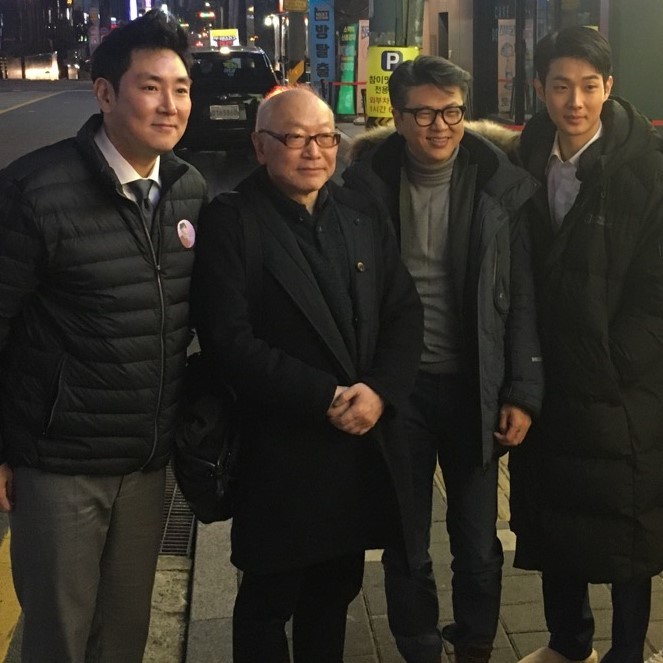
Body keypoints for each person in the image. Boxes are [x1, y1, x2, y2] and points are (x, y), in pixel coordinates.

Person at [0, 10, 206, 662]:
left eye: (180, 88)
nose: (170, 105)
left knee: (122, 635)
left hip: (146, 462)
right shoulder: (34, 190)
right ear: (106, 93)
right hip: (58, 464)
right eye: (150, 87)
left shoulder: (187, 189)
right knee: (58, 637)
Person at [190, 86, 424, 662]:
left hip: (356, 446)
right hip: (278, 448)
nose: (313, 151)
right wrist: (326, 396)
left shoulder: (360, 211)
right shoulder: (232, 220)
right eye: (294, 138)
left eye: (325, 137)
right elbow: (228, 341)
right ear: (260, 146)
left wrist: (380, 392)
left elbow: (403, 310)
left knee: (335, 593)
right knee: (268, 601)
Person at [342, 55, 544, 663]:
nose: (440, 126)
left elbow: (522, 296)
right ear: (399, 117)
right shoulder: (366, 185)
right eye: (425, 114)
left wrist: (521, 391)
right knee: (406, 538)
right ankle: (419, 644)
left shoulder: (497, 184)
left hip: (474, 386)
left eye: (452, 112)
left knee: (478, 539)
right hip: (398, 388)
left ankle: (476, 642)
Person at [508, 25, 663, 663]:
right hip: (545, 379)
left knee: (629, 525)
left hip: (620, 385)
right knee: (554, 516)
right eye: (561, 86)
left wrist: (614, 362)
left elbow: (657, 289)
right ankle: (567, 644)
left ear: (609, 88)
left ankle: (629, 651)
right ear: (539, 87)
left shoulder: (647, 169)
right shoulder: (523, 159)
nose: (575, 101)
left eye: (589, 86)